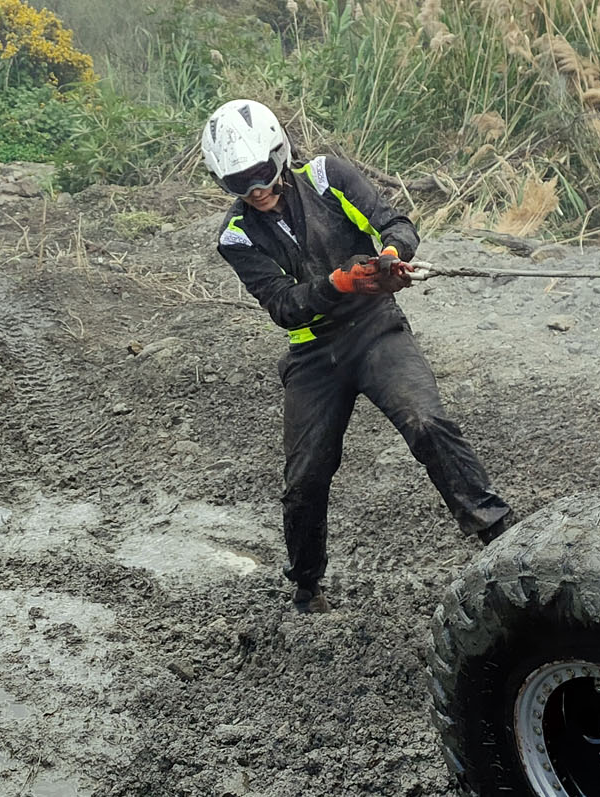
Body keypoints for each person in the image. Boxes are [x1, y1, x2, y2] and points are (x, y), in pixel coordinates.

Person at [201, 99, 513, 613]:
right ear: (222, 182)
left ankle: (498, 533)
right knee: (304, 476)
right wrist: (338, 282)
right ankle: (306, 586)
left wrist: (391, 257)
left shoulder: (328, 177)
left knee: (427, 422)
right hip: (313, 355)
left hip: (375, 330)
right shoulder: (235, 236)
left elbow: (395, 224)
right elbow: (283, 306)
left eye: (259, 172)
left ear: (278, 154)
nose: (254, 189)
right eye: (239, 182)